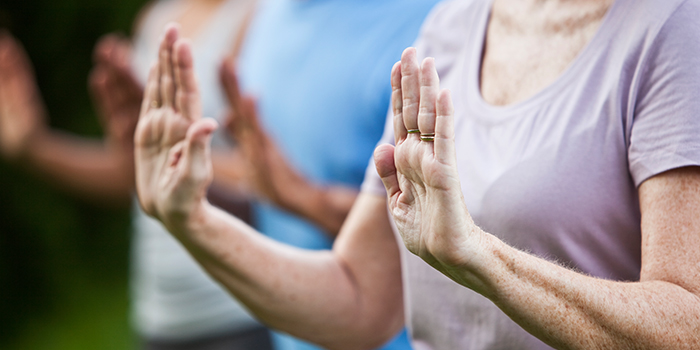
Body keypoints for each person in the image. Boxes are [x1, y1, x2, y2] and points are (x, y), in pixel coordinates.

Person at [134, 0, 700, 349]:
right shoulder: (449, 28)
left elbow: (686, 326)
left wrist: (480, 257)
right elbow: (360, 296)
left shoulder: (676, 26)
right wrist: (192, 223)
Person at [0, 0, 274, 348]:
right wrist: (35, 148)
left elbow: (278, 181)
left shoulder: (262, 19)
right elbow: (134, 181)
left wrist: (175, 149)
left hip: (239, 310)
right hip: (160, 317)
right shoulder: (156, 20)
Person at [218, 0, 439, 348]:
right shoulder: (266, 16)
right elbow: (265, 183)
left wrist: (307, 199)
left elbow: (457, 229)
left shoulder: (436, 24)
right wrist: (182, 160)